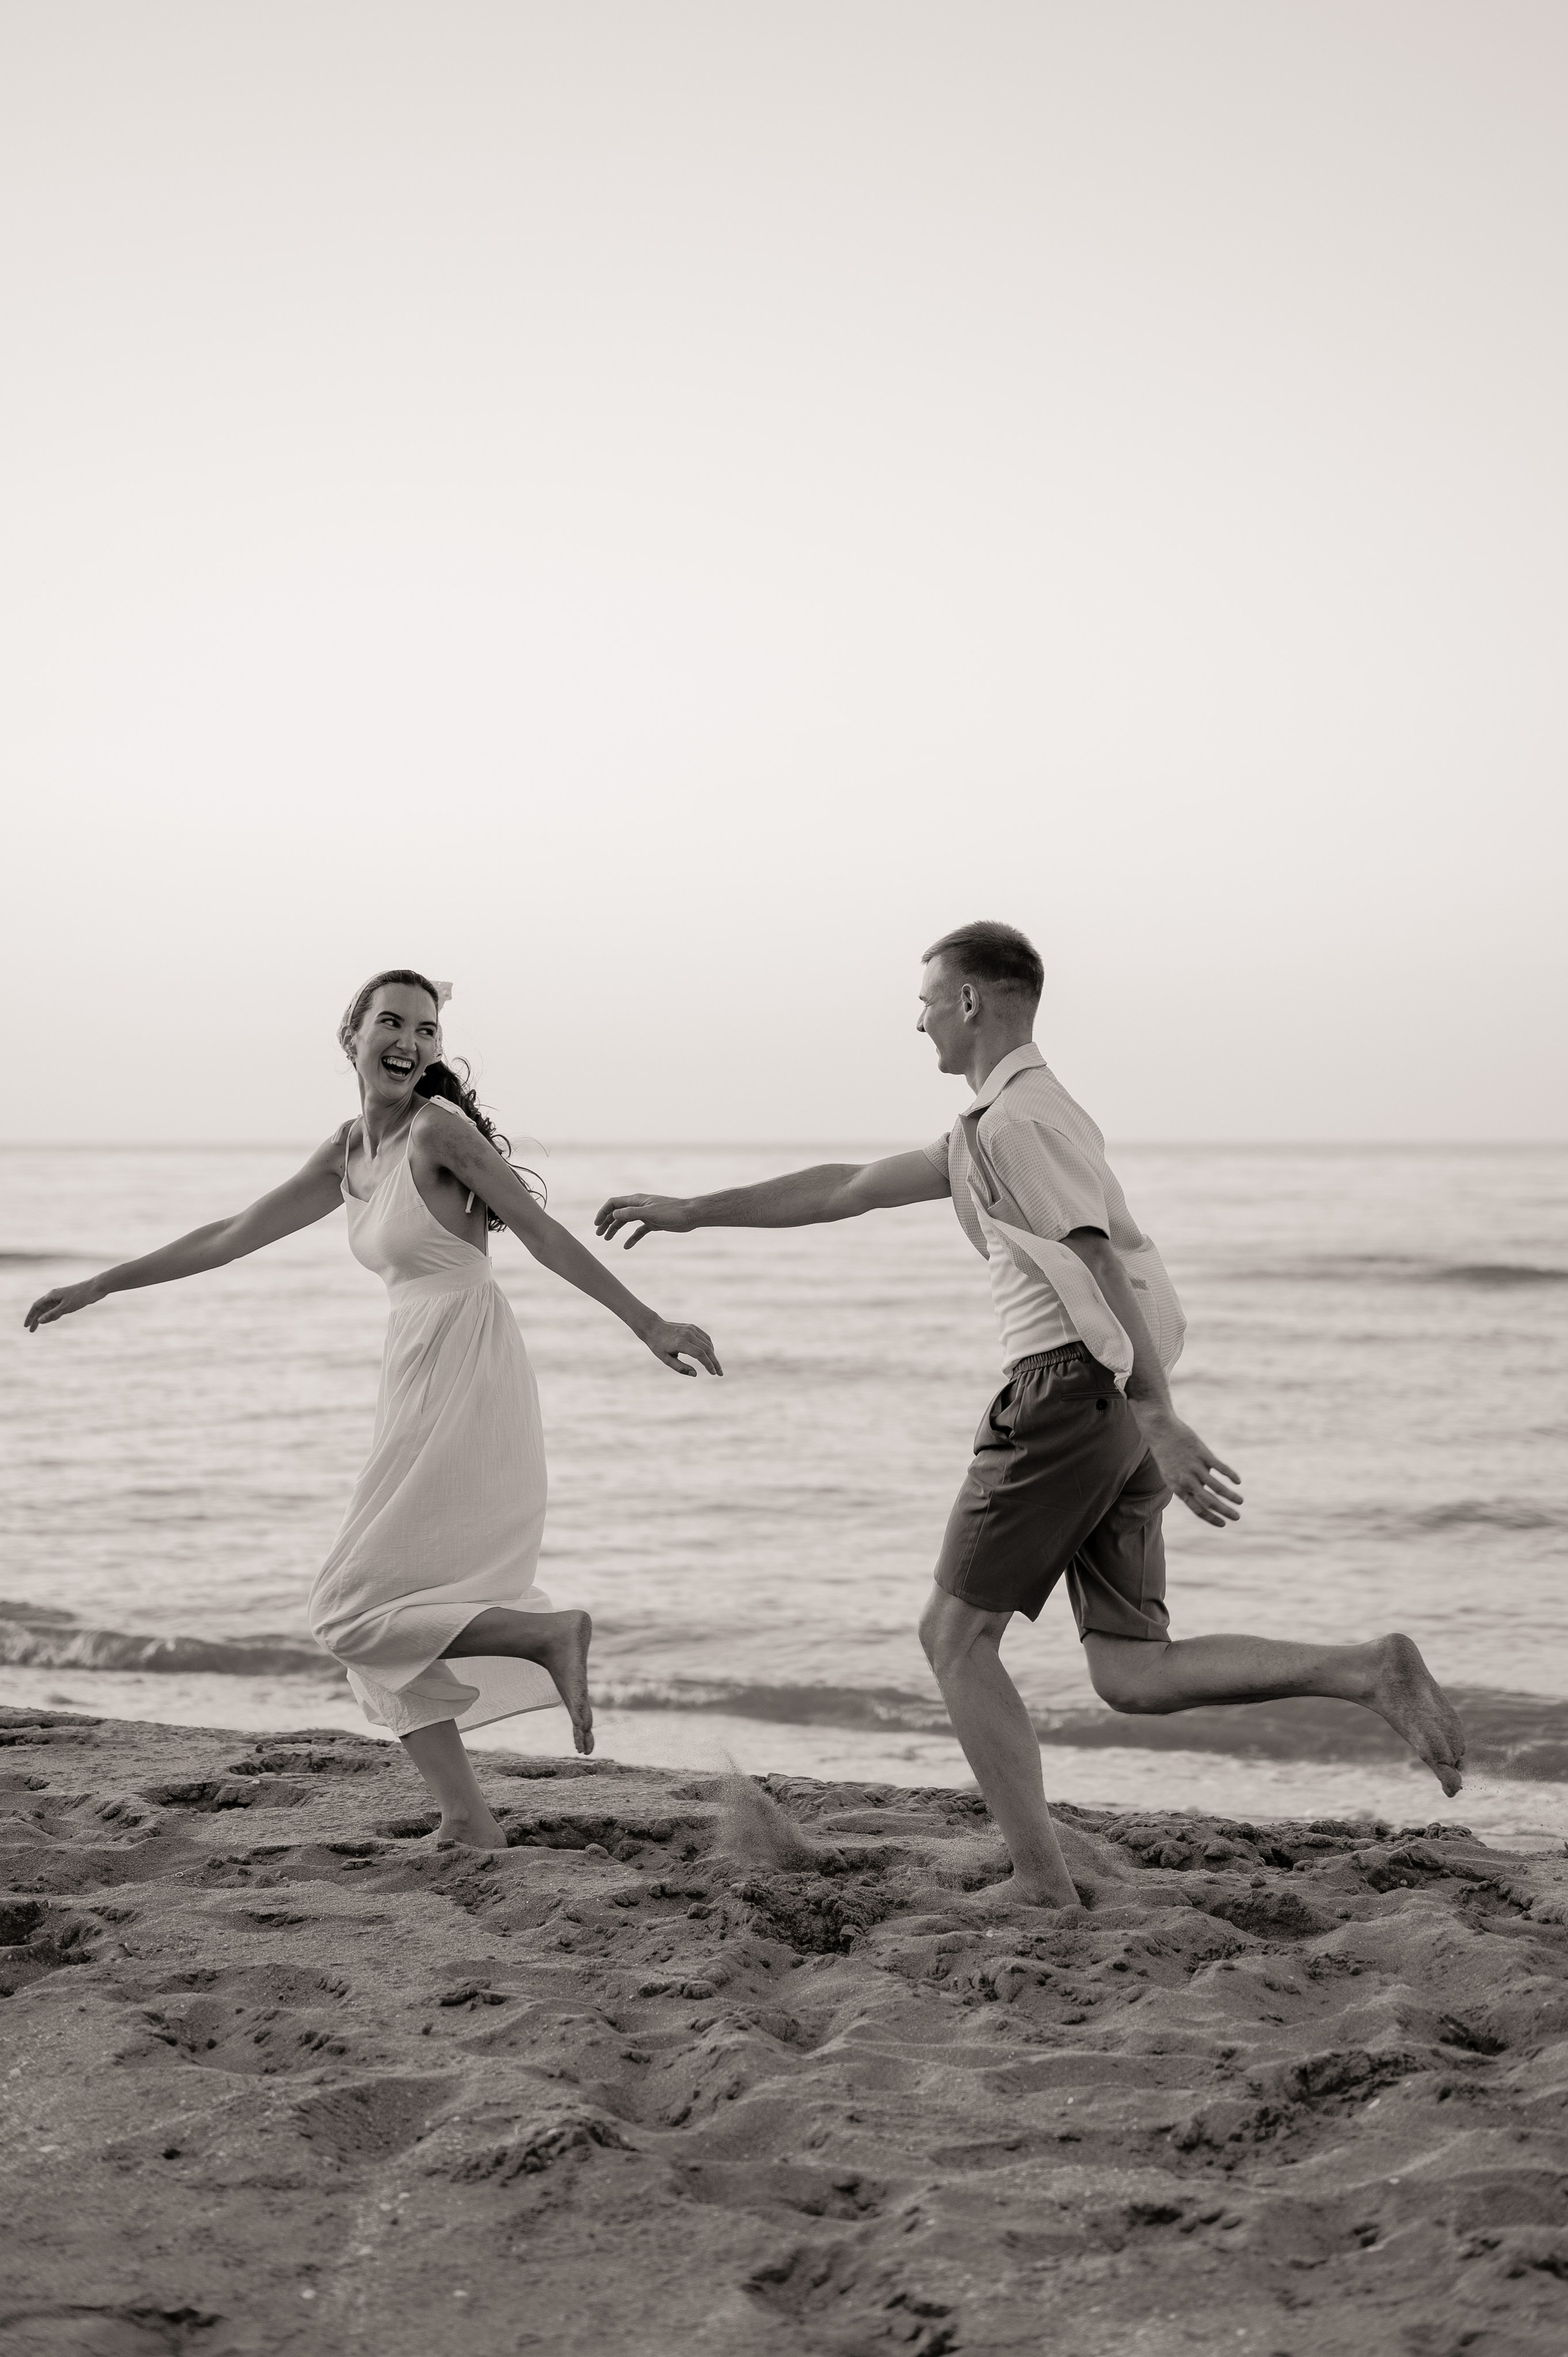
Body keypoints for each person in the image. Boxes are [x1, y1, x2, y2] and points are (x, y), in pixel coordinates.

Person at [595, 920, 1466, 1911]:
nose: (916, 1018)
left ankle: (1041, 1881)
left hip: (1067, 1393)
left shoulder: (1017, 1125)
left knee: (952, 1640)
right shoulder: (999, 1123)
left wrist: (1160, 1414)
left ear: (970, 1001)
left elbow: (1097, 1260)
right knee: (1132, 1673)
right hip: (1108, 1403)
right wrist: (690, 1209)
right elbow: (845, 1188)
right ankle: (1366, 1670)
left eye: (926, 998)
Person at [26, 968, 722, 1849]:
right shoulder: (348, 1151)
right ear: (350, 1035)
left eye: (428, 1031)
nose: (412, 1042)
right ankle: (469, 1818)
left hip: (468, 1367)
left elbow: (543, 1237)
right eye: (392, 1023)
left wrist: (650, 1323)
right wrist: (104, 1281)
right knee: (374, 1608)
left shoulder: (442, 1131)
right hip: (414, 1371)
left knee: (348, 1606)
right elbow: (233, 1234)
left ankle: (544, 1636)